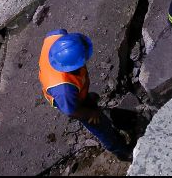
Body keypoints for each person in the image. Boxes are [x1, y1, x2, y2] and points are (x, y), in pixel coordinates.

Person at [38, 29, 131, 160]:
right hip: (71, 103)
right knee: (100, 127)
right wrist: (90, 113)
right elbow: (72, 111)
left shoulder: (55, 38)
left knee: (90, 101)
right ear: (72, 66)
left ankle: (91, 103)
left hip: (74, 92)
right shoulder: (65, 89)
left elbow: (56, 33)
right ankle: (121, 151)